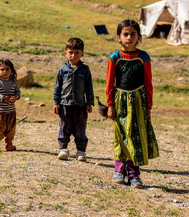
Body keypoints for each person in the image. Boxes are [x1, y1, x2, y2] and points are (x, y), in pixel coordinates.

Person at [106, 19, 159, 188]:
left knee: (136, 137)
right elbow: (109, 82)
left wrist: (148, 105)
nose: (129, 37)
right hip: (120, 100)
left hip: (139, 101)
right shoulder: (115, 57)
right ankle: (119, 171)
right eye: (125, 34)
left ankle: (134, 175)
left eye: (133, 34)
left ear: (139, 37)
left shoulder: (143, 57)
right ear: (119, 38)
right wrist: (109, 105)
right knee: (121, 136)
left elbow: (148, 82)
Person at [53, 37, 94, 162]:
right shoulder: (62, 70)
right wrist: (56, 102)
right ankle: (63, 149)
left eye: (77, 53)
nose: (73, 55)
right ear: (65, 52)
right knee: (65, 126)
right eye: (70, 52)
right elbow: (57, 87)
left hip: (80, 105)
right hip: (65, 104)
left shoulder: (85, 70)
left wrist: (89, 102)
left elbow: (89, 87)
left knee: (80, 127)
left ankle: (81, 151)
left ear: (82, 54)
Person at [0, 59, 21, 152]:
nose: (5, 71)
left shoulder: (14, 82)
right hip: (0, 111)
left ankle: (9, 144)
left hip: (11, 110)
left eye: (7, 69)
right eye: (2, 69)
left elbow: (18, 92)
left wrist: (16, 97)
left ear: (11, 70)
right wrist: (4, 98)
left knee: (11, 129)